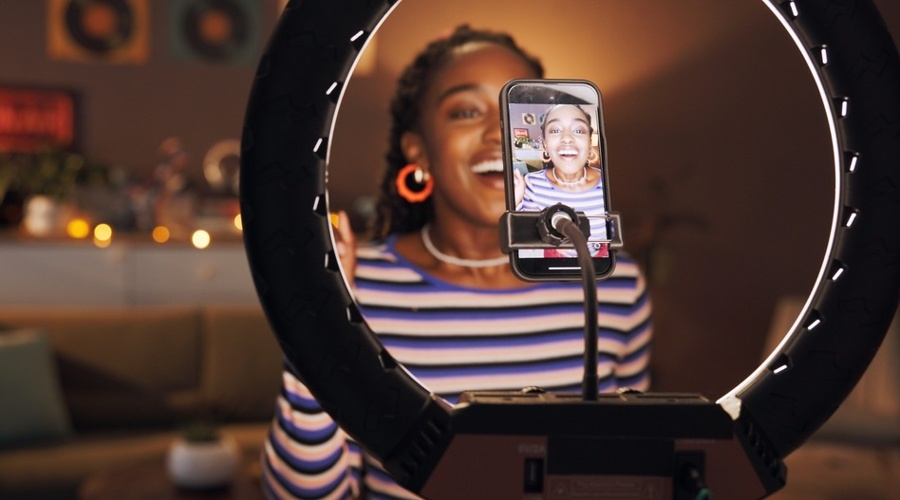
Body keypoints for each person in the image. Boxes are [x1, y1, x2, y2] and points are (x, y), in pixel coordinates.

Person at [261, 25, 652, 499]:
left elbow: (634, 472)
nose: (499, 132)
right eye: (466, 111)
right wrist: (316, 324)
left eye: (521, 110)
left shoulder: (614, 285)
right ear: (418, 149)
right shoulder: (351, 288)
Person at [516, 104, 608, 257]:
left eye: (578, 130)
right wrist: (516, 201)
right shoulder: (531, 183)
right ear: (545, 144)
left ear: (589, 142)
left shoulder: (608, 185)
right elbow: (526, 244)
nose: (567, 138)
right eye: (555, 130)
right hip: (548, 275)